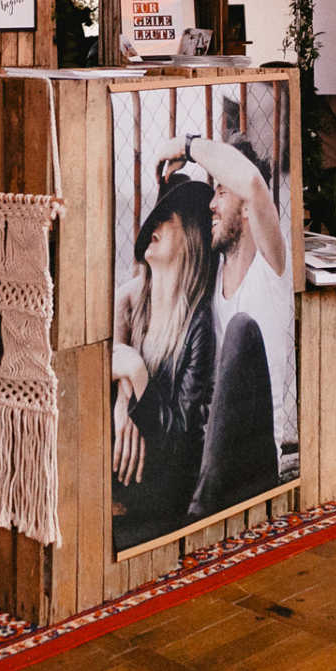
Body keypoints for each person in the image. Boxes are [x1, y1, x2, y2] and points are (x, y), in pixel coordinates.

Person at [152, 132, 294, 495]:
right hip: (209, 449)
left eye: (221, 192)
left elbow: (250, 181)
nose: (212, 205)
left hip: (260, 454)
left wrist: (188, 146)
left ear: (247, 207)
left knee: (240, 331)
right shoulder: (212, 279)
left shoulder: (272, 266)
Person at [110, 178, 217, 551]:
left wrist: (137, 372)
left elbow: (180, 439)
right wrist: (125, 404)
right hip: (124, 473)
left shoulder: (200, 325)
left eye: (164, 218)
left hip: (161, 489)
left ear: (190, 235)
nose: (152, 227)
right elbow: (108, 350)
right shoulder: (136, 301)